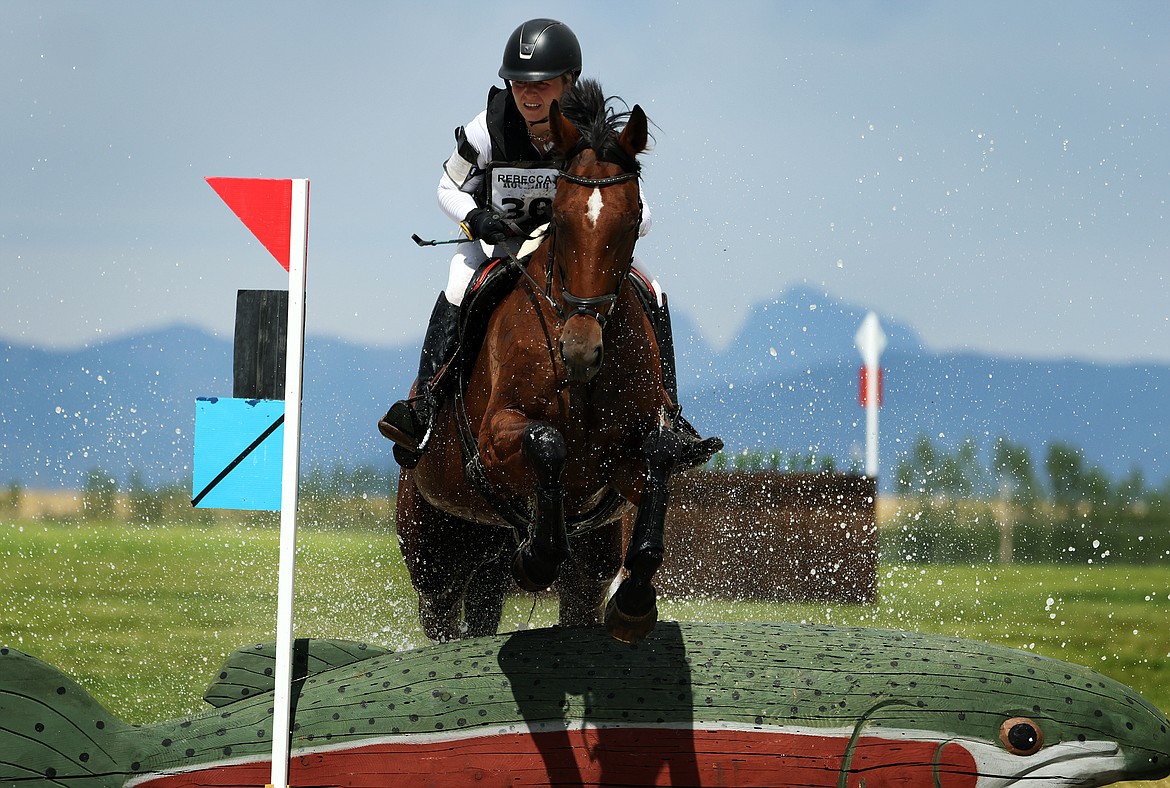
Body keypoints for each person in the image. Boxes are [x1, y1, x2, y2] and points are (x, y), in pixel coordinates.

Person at [379, 18, 706, 461]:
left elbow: (643, 212)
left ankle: (670, 413)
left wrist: (621, 219)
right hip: (497, 246)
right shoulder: (486, 128)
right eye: (518, 84)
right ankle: (424, 410)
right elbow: (445, 188)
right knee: (458, 286)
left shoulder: (596, 138)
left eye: (542, 84)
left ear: (569, 82)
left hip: (572, 257)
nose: (528, 95)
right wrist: (475, 217)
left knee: (653, 290)